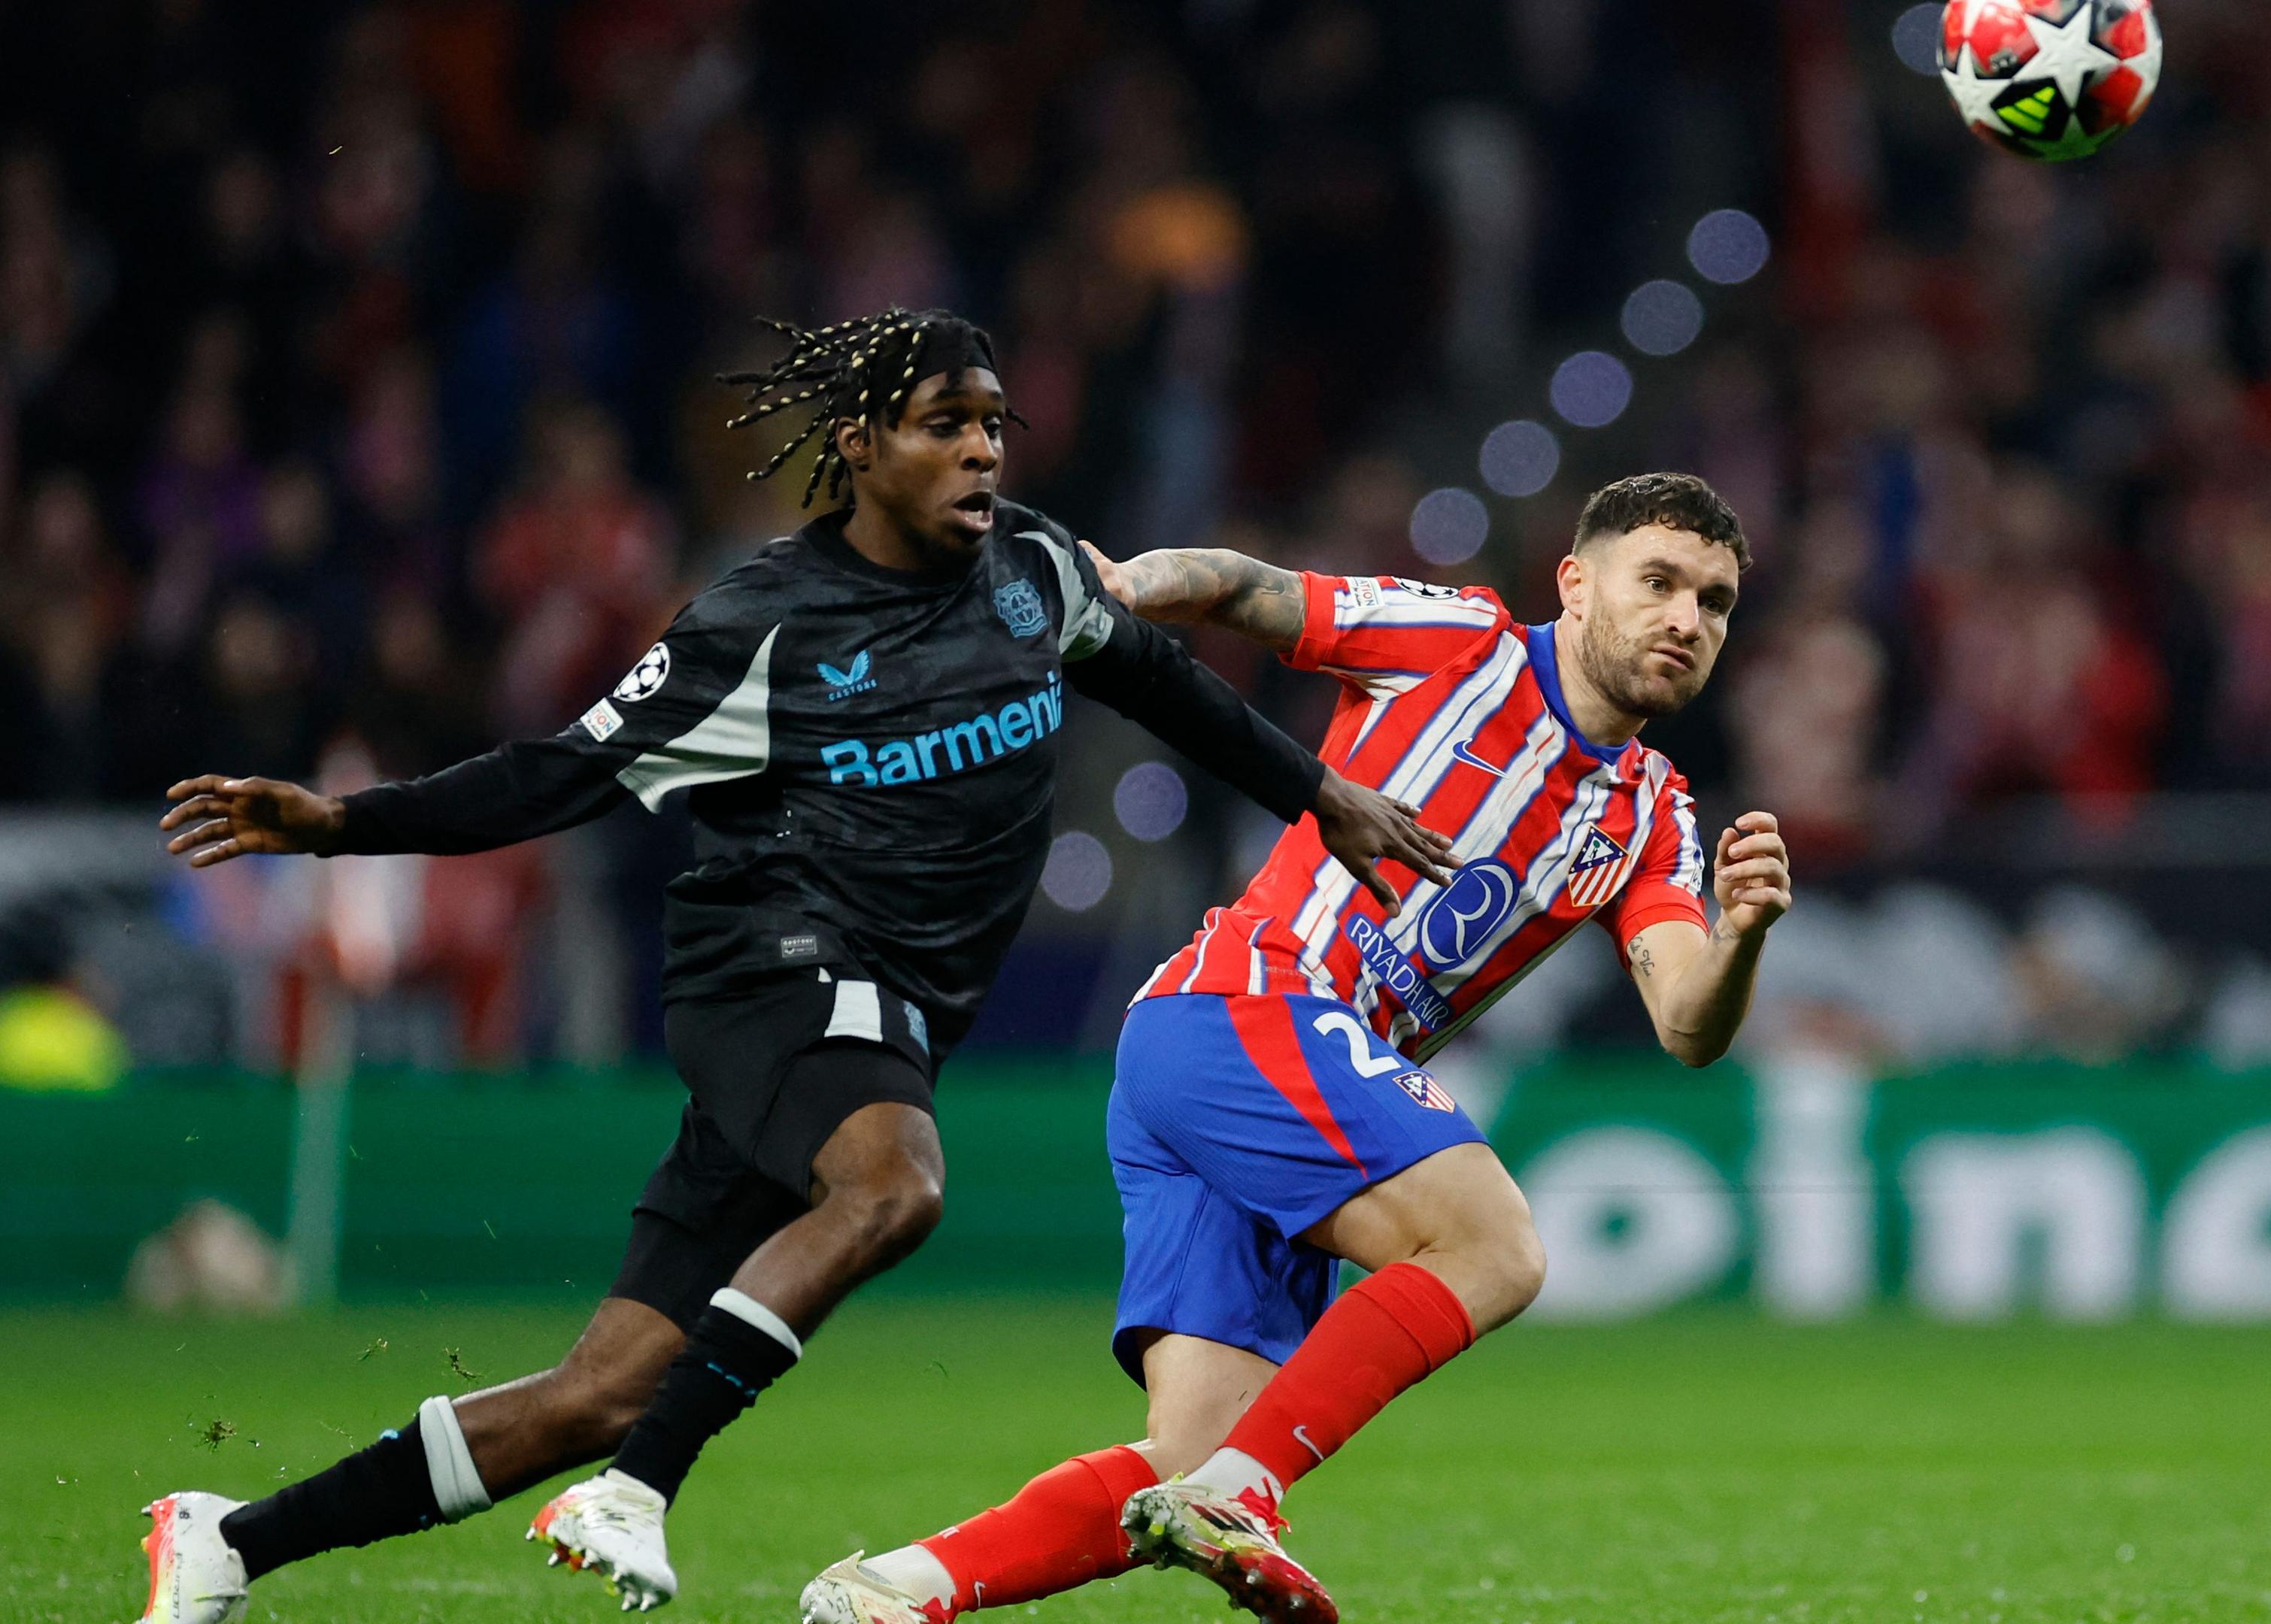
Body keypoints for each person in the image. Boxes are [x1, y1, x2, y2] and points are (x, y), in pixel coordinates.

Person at [132, 308, 1454, 1622]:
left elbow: (1168, 683)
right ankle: (640, 1490)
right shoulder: (760, 624)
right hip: (769, 972)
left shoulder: (1034, 576)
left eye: (996, 426)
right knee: (895, 1188)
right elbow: (556, 774)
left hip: (879, 1019)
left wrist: (1320, 792)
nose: (985, 454)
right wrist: (344, 824)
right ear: (862, 443)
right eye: (948, 427)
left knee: (603, 1387)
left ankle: (228, 1542)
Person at [801, 471, 1793, 1622]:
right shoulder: (1460, 643)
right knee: (1496, 1247)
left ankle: (887, 1591)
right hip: (1246, 1008)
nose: (1687, 619)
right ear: (1576, 585)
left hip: (1256, 1077)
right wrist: (1123, 588)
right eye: (1660, 582)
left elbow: (1687, 1025)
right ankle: (1243, 1495)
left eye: (1715, 603)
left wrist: (1742, 939)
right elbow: (1252, 592)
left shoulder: (1653, 815)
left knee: (1182, 1463)